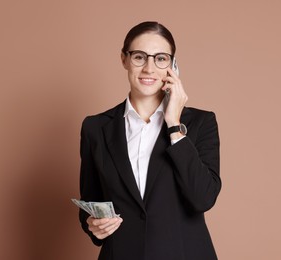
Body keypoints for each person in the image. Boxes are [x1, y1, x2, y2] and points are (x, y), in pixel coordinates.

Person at [78, 21, 221, 260]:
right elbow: (90, 200)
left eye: (161, 58)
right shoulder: (95, 127)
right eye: (139, 57)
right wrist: (92, 224)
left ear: (173, 65)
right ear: (124, 59)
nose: (149, 68)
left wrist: (174, 125)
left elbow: (204, 197)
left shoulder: (200, 123)